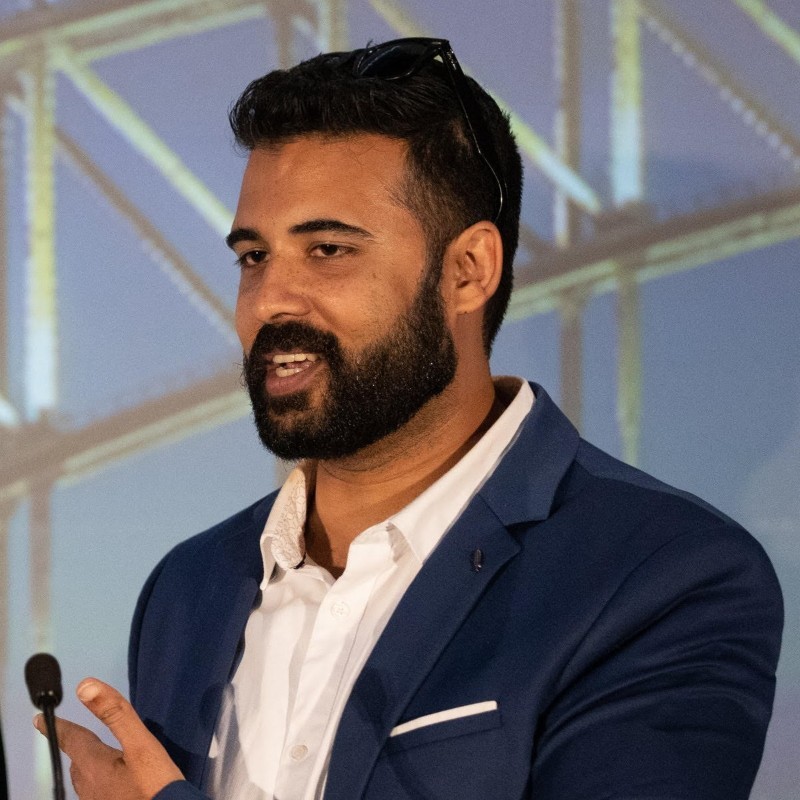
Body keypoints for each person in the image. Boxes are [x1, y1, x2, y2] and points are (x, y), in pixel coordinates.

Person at [36, 38, 782, 800]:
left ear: (468, 271)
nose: (269, 301)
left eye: (328, 249)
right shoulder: (188, 587)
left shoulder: (662, 575)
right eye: (254, 257)